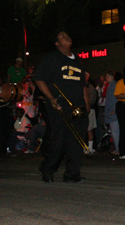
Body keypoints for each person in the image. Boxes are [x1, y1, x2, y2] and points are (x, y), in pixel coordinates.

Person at [34, 31, 89, 183]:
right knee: (59, 140)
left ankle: (72, 174)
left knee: (76, 141)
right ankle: (48, 167)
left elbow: (82, 85)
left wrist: (86, 105)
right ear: (57, 44)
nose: (67, 37)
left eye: (67, 35)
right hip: (59, 104)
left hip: (78, 105)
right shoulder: (51, 59)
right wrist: (50, 97)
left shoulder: (77, 59)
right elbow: (39, 79)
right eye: (62, 37)